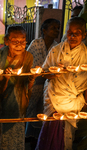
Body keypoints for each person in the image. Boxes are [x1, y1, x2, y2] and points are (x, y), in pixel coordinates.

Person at [36, 17, 87, 150]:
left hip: (73, 100)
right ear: (65, 32)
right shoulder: (56, 50)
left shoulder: (86, 54)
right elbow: (44, 72)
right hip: (54, 98)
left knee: (67, 135)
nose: (73, 36)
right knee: (51, 133)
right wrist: (53, 74)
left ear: (84, 34)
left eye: (78, 32)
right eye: (69, 32)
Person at [0, 25, 35, 150]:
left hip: (19, 100)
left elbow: (28, 85)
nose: (19, 45)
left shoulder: (28, 57)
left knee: (17, 132)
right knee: (4, 134)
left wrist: (32, 78)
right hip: (2, 100)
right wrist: (5, 78)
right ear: (6, 41)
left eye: (23, 41)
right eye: (15, 41)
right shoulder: (0, 56)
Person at [25, 18, 60, 149]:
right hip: (35, 84)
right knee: (30, 111)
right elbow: (29, 63)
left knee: (43, 114)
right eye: (53, 28)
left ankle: (39, 141)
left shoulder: (57, 46)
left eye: (58, 28)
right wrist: (43, 72)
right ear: (44, 30)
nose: (56, 31)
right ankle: (28, 138)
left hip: (49, 85)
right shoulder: (36, 44)